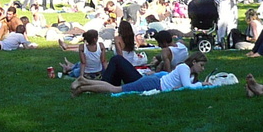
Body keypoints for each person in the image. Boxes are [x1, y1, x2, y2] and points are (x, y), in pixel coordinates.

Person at [72, 52, 207, 95]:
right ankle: (83, 86)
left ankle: (84, 82)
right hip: (153, 84)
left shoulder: (189, 73)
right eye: (201, 65)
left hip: (156, 83)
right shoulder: (184, 68)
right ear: (193, 62)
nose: (202, 69)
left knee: (116, 89)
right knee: (116, 89)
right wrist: (202, 84)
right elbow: (187, 86)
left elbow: (182, 87)